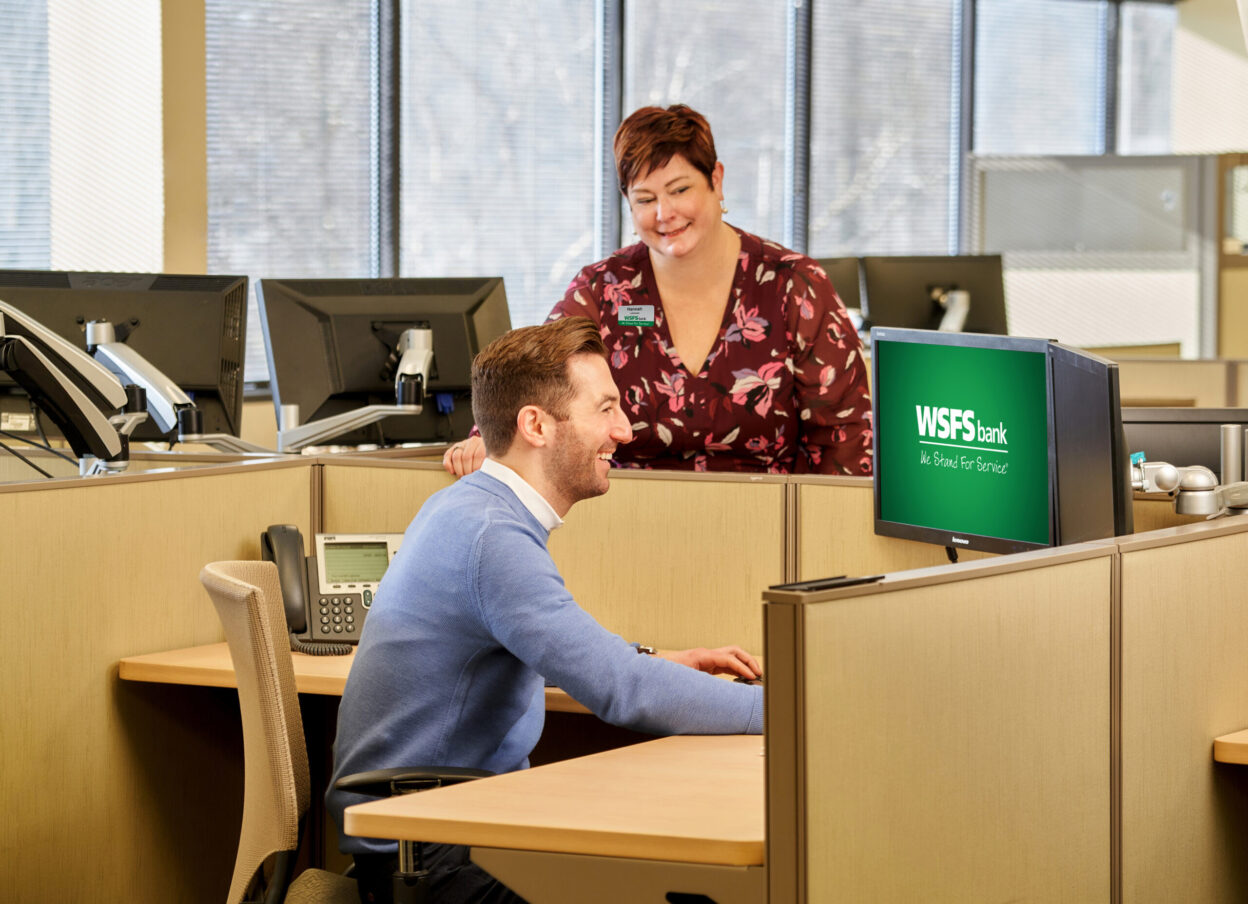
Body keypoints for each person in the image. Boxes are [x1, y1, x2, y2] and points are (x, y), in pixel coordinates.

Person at [329, 316, 764, 904]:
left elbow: (571, 648)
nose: (626, 430)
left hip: (452, 825)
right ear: (535, 424)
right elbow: (621, 690)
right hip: (435, 856)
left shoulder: (470, 508)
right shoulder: (492, 537)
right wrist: (794, 712)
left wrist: (658, 659)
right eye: (605, 409)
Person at [445, 103, 871, 478]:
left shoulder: (793, 285)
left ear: (716, 181)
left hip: (777, 522)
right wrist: (491, 442)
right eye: (645, 199)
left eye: (680, 190)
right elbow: (536, 379)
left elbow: (845, 434)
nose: (664, 213)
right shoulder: (603, 290)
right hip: (630, 518)